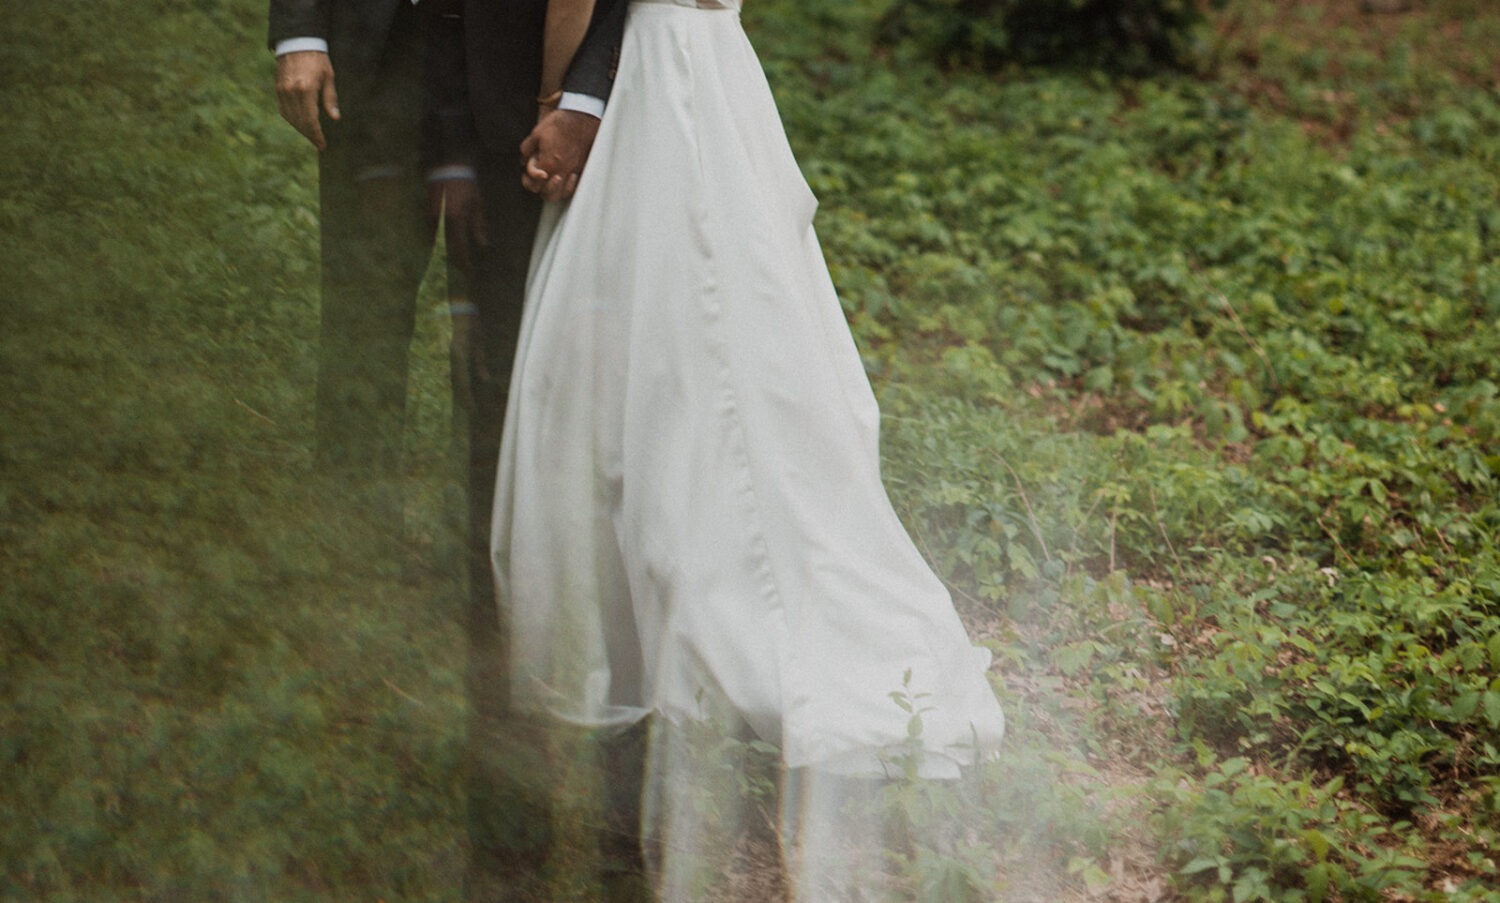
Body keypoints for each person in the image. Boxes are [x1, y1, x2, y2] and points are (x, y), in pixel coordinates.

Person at [494, 0, 1008, 897]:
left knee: (650, 368)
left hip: (649, 79)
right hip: (715, 62)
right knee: (726, 345)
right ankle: (727, 606)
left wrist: (563, 98)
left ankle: (678, 624)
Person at [269, 1, 627, 899]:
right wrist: (299, 31)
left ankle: (499, 604)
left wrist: (573, 91)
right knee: (359, 328)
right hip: (372, 64)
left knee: (503, 368)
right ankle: (344, 605)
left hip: (513, 77)